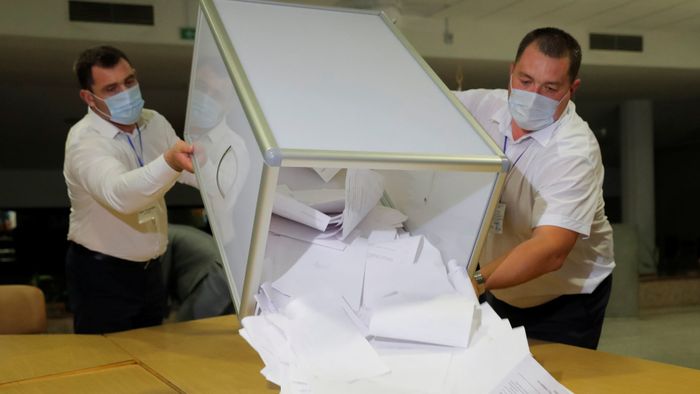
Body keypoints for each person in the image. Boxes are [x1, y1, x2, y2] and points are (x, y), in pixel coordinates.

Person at [455, 27, 615, 349]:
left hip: (564, 296)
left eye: (549, 88)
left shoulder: (574, 151)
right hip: (499, 283)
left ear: (573, 88)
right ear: (511, 72)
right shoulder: (481, 107)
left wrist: (475, 281)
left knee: (551, 379)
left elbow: (551, 250)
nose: (532, 96)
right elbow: (419, 111)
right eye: (525, 81)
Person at [63, 45, 197, 334]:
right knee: (106, 367)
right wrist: (170, 162)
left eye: (130, 81)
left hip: (151, 270)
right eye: (111, 88)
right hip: (101, 274)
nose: (125, 92)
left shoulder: (154, 121)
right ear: (89, 97)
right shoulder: (84, 141)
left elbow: (188, 169)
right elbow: (120, 196)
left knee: (152, 356)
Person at [160, 223, 234, 321]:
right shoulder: (173, 231)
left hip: (212, 278)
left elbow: (161, 281)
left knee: (183, 328)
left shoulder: (162, 238)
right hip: (225, 276)